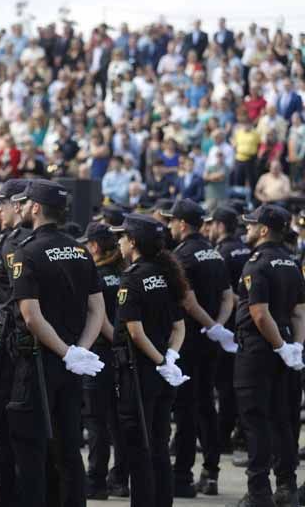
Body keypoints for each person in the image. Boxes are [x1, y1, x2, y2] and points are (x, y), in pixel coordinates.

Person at [8, 179, 106, 507]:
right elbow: (98, 310)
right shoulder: (81, 250)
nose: (20, 208)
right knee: (68, 447)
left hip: (39, 362)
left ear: (36, 208)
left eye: (24, 203)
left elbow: (31, 316)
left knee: (32, 449)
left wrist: (66, 352)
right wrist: (80, 350)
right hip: (73, 363)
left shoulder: (28, 251)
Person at [109, 213, 190, 507]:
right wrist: (170, 358)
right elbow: (179, 327)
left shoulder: (133, 277)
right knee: (158, 444)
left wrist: (159, 361)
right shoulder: (168, 274)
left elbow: (135, 331)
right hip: (163, 373)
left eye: (121, 237)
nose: (118, 242)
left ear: (133, 242)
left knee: (139, 448)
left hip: (139, 372)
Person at [233, 205, 305, 507]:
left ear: (263, 230)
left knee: (256, 420)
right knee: (283, 420)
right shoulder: (291, 262)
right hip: (285, 349)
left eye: (251, 225)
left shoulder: (257, 264)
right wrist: (294, 348)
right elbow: (299, 312)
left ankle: (259, 492)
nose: (246, 229)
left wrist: (279, 347)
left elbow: (260, 315)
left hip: (260, 350)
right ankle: (287, 486)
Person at [161, 198, 233, 497]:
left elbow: (188, 302)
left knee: (188, 408)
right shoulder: (214, 254)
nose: (168, 226)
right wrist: (217, 327)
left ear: (182, 223)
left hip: (190, 341)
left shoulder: (182, 256)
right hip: (211, 343)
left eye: (171, 221)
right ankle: (212, 470)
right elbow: (229, 296)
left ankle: (183, 475)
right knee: (207, 405)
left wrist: (209, 325)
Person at [0, 178, 30, 507]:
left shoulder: (17, 244)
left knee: (9, 427)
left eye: (0, 205)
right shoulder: (11, 239)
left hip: (15, 343)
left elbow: (15, 300)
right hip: (13, 337)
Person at [77, 221, 129, 499]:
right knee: (117, 420)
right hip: (123, 355)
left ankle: (96, 480)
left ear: (94, 247)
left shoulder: (94, 275)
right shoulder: (125, 273)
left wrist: (115, 340)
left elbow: (101, 319)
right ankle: (120, 478)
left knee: (96, 421)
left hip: (99, 354)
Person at [204, 206, 251, 455]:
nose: (209, 229)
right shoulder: (247, 248)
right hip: (245, 324)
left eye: (212, 224)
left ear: (221, 226)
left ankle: (223, 437)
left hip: (230, 324)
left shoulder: (221, 253)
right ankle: (239, 434)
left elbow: (231, 294)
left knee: (226, 385)